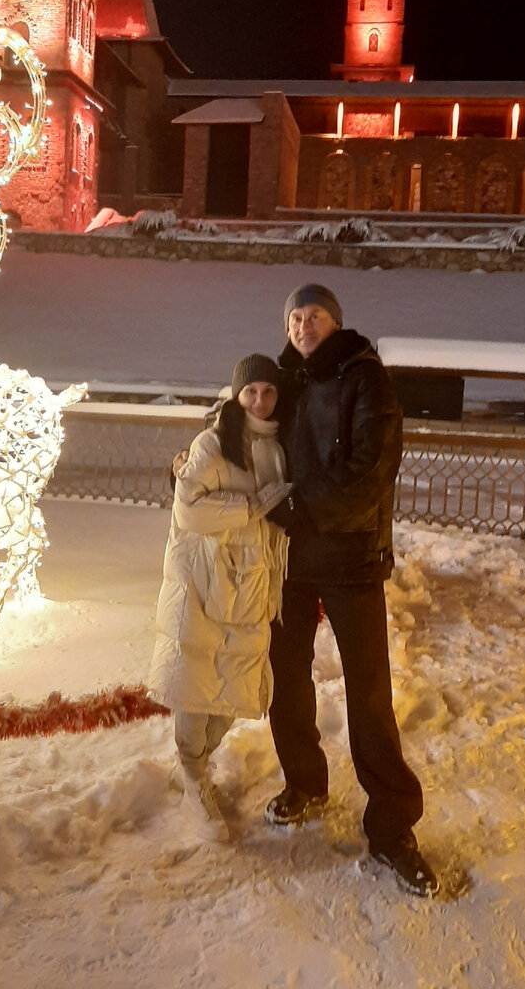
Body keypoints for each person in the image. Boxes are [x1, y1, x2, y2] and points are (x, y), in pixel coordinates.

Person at [264, 284, 438, 897]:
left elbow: (371, 469)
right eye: (293, 317)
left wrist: (301, 509)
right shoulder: (281, 379)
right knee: (284, 680)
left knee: (368, 693)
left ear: (335, 322)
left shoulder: (365, 379)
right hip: (289, 560)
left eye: (313, 315)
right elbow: (234, 433)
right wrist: (188, 465)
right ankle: (305, 781)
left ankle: (392, 826)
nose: (301, 324)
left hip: (351, 557)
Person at [149, 354, 292, 842]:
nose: (259, 399)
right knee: (197, 683)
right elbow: (189, 510)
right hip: (207, 585)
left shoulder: (277, 444)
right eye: (250, 391)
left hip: (253, 587)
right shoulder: (212, 442)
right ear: (236, 395)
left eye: (268, 391)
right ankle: (192, 775)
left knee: (231, 692)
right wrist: (251, 506)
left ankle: (194, 764)